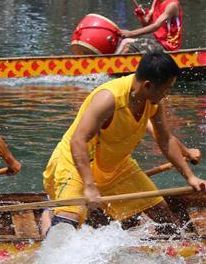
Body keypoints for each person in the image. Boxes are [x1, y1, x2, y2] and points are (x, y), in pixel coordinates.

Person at [40, 51, 204, 235]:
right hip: (77, 164)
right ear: (148, 85)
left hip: (116, 165)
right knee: (64, 230)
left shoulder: (154, 101)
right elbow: (78, 140)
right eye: (166, 89)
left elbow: (165, 139)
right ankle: (49, 216)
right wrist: (89, 185)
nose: (167, 94)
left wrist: (190, 177)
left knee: (166, 219)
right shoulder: (108, 99)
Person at [117, 0, 183, 54]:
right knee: (125, 41)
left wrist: (131, 33)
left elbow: (156, 26)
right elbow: (146, 24)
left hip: (168, 46)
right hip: (156, 41)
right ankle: (110, 62)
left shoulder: (172, 5)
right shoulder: (156, 1)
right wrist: (140, 15)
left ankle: (112, 65)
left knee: (128, 48)